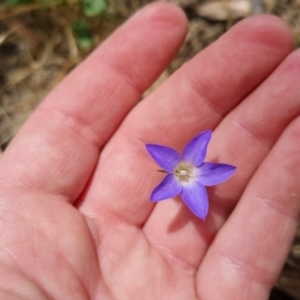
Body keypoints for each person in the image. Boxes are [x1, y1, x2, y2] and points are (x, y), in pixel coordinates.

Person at [0, 2, 299, 299]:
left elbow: (200, 172)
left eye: (184, 171)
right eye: (181, 171)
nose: (182, 171)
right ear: (175, 169)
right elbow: (167, 189)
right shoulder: (172, 172)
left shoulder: (186, 170)